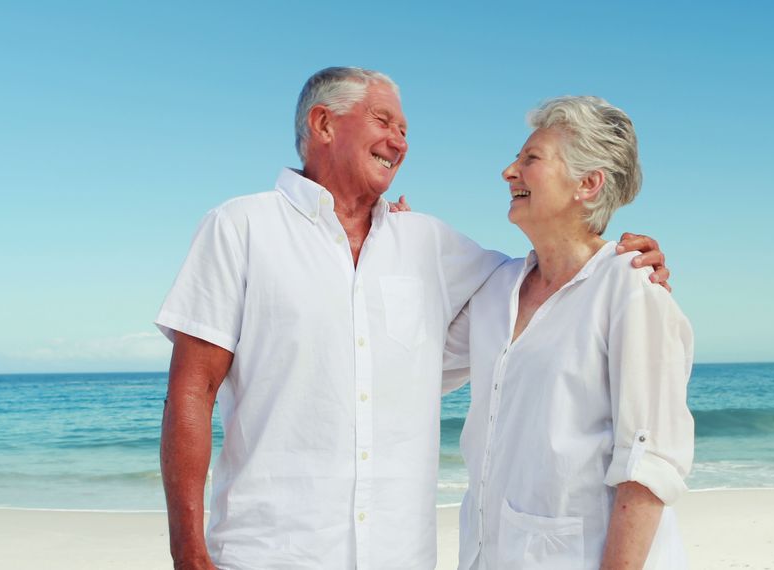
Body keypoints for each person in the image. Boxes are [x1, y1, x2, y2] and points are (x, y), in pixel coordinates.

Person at [155, 68, 671, 570]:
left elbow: (559, 279)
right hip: (269, 553)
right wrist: (189, 555)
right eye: (384, 122)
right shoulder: (240, 227)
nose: (399, 142)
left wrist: (620, 261)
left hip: (402, 557)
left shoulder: (427, 241)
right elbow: (190, 391)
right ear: (324, 124)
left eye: (405, 131)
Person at [445, 96, 694, 570]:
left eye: (530, 159)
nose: (508, 171)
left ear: (588, 183)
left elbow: (649, 466)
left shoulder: (632, 287)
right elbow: (416, 363)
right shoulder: (496, 289)